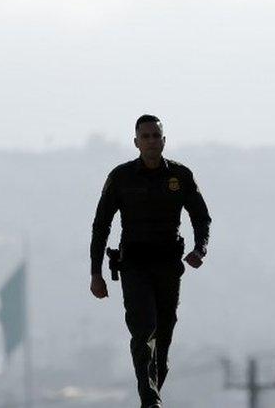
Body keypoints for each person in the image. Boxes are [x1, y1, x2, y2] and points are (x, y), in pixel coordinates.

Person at [89, 114, 212, 408]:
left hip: (168, 266)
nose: (151, 141)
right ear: (136, 142)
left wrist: (200, 249)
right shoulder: (121, 177)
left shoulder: (180, 176)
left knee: (164, 339)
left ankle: (152, 393)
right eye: (145, 137)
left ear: (164, 140)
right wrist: (96, 273)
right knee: (144, 330)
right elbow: (101, 224)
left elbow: (201, 216)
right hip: (134, 266)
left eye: (156, 136)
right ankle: (150, 401)